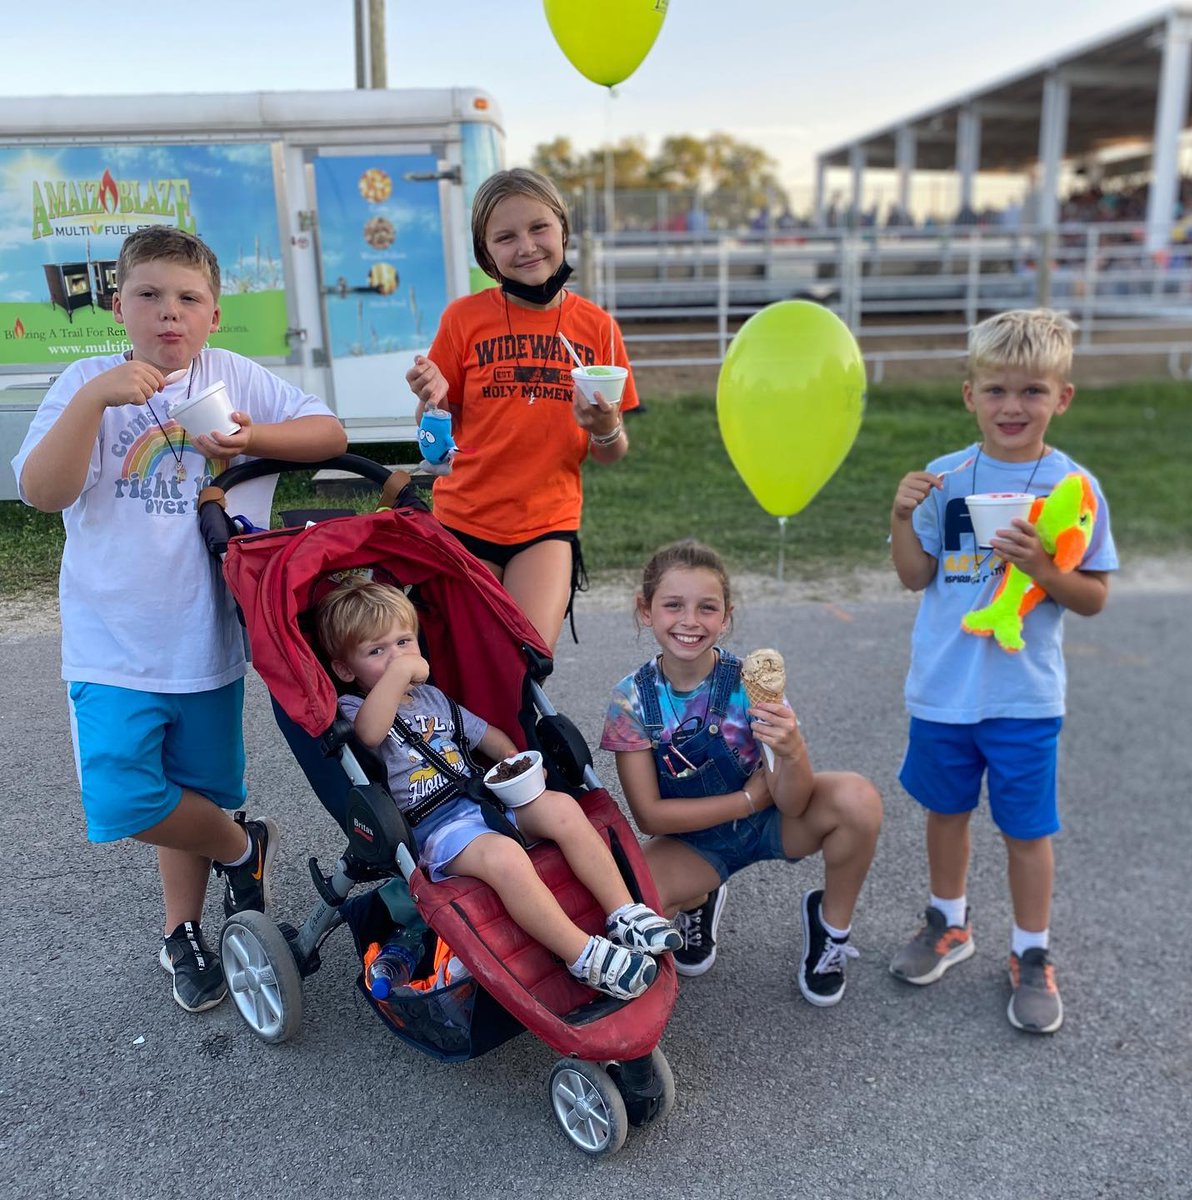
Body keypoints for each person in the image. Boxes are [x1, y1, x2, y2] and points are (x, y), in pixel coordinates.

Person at [11, 225, 348, 1014]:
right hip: (111, 644)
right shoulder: (86, 380)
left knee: (191, 787)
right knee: (128, 799)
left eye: (188, 299)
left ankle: (181, 931)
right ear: (118, 304)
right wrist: (97, 399)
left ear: (213, 314)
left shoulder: (234, 379)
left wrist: (249, 438)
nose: (170, 313)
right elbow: (42, 491)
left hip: (208, 640)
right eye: (150, 295)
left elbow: (329, 434)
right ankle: (243, 845)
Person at [888, 308, 1118, 1035]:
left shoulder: (1074, 488)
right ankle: (949, 924)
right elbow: (914, 575)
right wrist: (900, 519)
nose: (1012, 407)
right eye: (996, 391)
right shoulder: (948, 478)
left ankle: (1032, 951)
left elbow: (1094, 597)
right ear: (969, 395)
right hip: (943, 690)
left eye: (1032, 392)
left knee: (1026, 830)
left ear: (1063, 398)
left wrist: (1043, 568)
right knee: (946, 812)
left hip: (1024, 697)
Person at [315, 578, 681, 1001]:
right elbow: (371, 733)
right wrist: (397, 675)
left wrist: (515, 766)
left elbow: (488, 737)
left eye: (404, 642)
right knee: (506, 856)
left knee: (561, 807)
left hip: (482, 803)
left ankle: (623, 913)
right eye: (377, 651)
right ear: (346, 670)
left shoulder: (434, 699)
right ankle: (581, 955)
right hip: (437, 832)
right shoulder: (356, 707)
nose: (397, 658)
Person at [600, 540, 882, 1006]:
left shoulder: (752, 686)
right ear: (645, 610)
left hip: (772, 824)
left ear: (725, 616)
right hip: (694, 842)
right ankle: (699, 898)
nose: (690, 621)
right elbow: (649, 816)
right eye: (673, 605)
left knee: (857, 800)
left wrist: (792, 752)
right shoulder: (630, 700)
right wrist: (747, 799)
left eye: (706, 608)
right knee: (632, 908)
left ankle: (831, 927)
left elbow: (792, 802)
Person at [404, 168, 637, 653]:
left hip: (546, 524)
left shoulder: (599, 328)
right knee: (460, 664)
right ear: (486, 253)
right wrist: (430, 399)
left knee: (524, 660)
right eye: (505, 237)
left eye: (538, 228)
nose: (526, 246)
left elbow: (612, 454)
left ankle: (520, 732)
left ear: (562, 230)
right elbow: (433, 443)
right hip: (464, 518)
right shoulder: (463, 318)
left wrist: (605, 428)